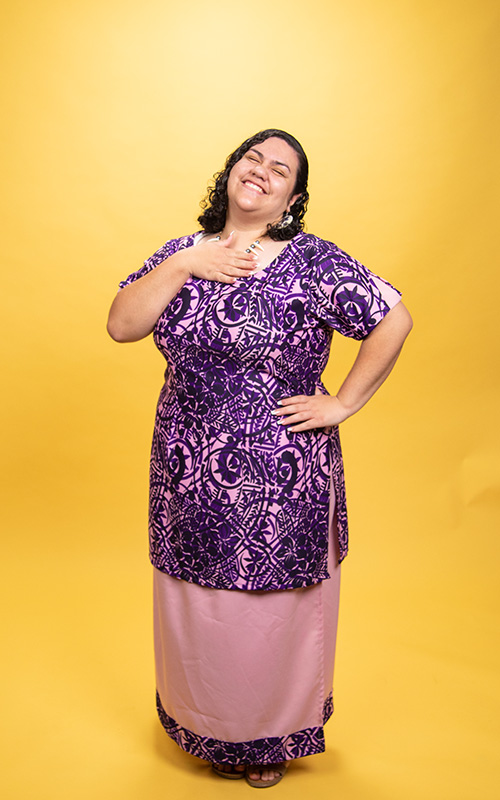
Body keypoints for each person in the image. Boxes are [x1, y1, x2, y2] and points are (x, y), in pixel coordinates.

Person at [107, 129, 412, 788]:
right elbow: (122, 323)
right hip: (187, 471)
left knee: (267, 617)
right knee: (201, 612)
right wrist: (188, 265)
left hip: (280, 477)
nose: (262, 172)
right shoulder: (181, 252)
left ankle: (268, 739)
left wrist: (343, 404)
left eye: (281, 170)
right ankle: (211, 730)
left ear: (290, 199)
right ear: (230, 173)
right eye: (253, 159)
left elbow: (394, 318)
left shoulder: (310, 262)